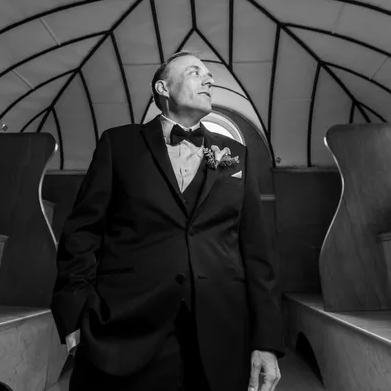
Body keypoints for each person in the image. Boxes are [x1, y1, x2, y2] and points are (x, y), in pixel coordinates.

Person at [50, 51, 284, 391]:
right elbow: (82, 233)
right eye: (194, 72)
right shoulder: (119, 144)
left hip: (222, 334)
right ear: (163, 87)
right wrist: (74, 317)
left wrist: (267, 338)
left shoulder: (237, 155)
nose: (209, 79)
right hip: (125, 330)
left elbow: (258, 252)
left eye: (209, 74)